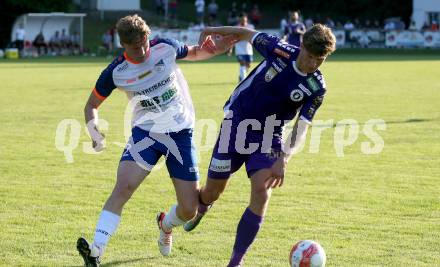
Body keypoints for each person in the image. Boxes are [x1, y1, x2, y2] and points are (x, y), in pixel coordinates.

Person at [76, 14, 233, 267]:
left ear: (148, 36)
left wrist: (216, 50)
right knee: (123, 187)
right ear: (123, 45)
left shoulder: (165, 47)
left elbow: (194, 53)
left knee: (189, 209)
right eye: (135, 48)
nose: (142, 52)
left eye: (144, 44)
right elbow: (91, 105)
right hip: (146, 134)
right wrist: (94, 133)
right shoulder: (116, 71)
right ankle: (96, 251)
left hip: (181, 133)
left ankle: (165, 224)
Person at [183, 24, 336, 267]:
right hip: (237, 122)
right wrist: (213, 29)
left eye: (320, 60)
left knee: (262, 192)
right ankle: (203, 207)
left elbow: (302, 125)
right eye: (310, 57)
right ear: (302, 47)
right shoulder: (279, 49)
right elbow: (244, 32)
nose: (313, 64)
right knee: (212, 191)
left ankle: (236, 261)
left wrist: (284, 158)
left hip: (269, 136)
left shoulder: (317, 87)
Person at [228, 13, 255, 82]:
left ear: (246, 19)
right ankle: (243, 80)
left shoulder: (251, 26)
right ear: (239, 20)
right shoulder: (236, 28)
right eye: (241, 19)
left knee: (248, 65)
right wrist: (230, 49)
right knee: (242, 64)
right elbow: (232, 39)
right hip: (239, 50)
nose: (243, 21)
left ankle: (241, 76)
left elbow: (253, 37)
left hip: (248, 50)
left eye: (244, 19)